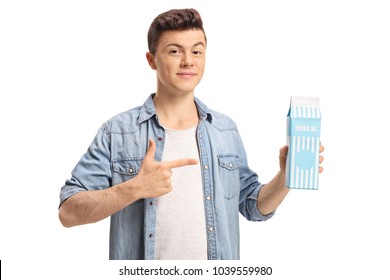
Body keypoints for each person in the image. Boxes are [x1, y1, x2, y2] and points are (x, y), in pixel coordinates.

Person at [58, 8, 324, 260]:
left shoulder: (224, 129)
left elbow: (254, 207)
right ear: (151, 60)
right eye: (174, 51)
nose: (188, 61)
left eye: (197, 51)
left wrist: (286, 178)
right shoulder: (117, 132)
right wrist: (134, 189)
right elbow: (68, 212)